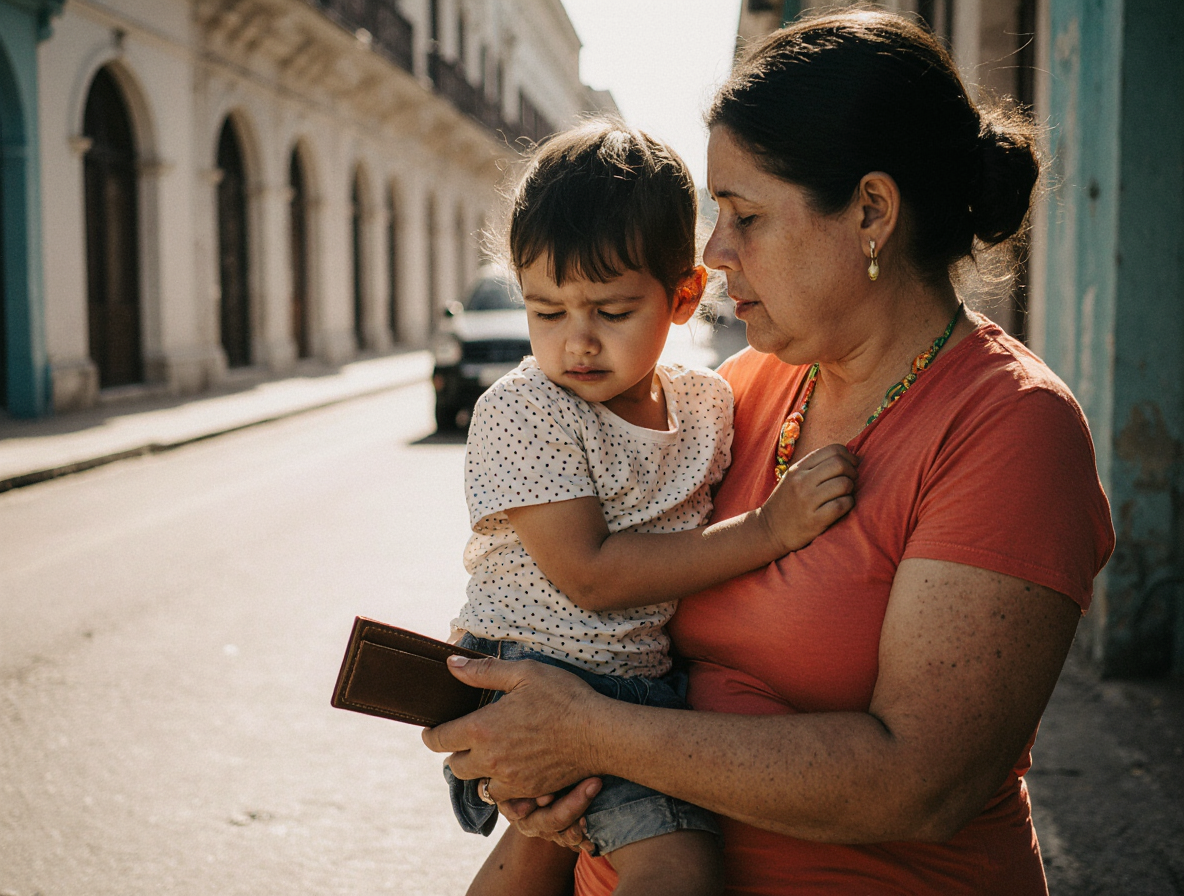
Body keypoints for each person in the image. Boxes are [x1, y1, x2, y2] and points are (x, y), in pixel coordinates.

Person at [424, 10, 1116, 896]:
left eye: (743, 215)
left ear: (870, 210)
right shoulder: (738, 393)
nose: (714, 252)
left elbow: (921, 782)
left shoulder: (1010, 430)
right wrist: (540, 773)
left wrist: (586, 734)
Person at [445, 118, 859, 896]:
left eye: (609, 311)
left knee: (548, 856)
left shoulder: (709, 404)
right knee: (676, 865)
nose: (577, 343)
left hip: (637, 684)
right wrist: (770, 530)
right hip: (534, 672)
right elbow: (592, 576)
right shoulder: (527, 409)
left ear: (683, 296)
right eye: (547, 311)